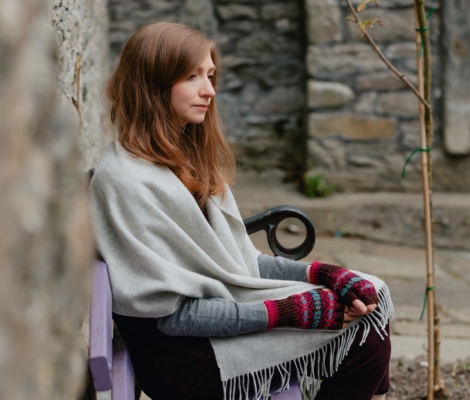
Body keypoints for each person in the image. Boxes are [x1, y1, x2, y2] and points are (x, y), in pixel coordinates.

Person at [89, 22, 393, 400]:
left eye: (211, 75)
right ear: (153, 82)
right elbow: (173, 317)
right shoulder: (127, 181)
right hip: (184, 364)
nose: (210, 90)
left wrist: (325, 273)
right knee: (365, 339)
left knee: (369, 309)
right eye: (192, 76)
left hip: (208, 338)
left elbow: (242, 265)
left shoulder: (183, 163)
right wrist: (290, 312)